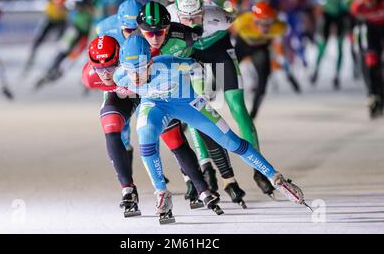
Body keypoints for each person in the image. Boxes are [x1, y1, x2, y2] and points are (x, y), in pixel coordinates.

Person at [114, 35, 310, 223]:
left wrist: (204, 91)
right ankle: (161, 192)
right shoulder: (120, 76)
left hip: (188, 103)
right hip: (155, 107)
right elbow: (113, 82)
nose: (134, 76)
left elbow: (195, 65)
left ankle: (275, 178)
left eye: (139, 68)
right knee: (145, 134)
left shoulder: (169, 64)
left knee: (231, 142)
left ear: (150, 61)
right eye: (129, 70)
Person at [82, 36, 223, 218]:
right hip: (125, 95)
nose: (105, 74)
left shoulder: (147, 59)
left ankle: (200, 186)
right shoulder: (89, 77)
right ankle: (127, 189)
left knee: (173, 138)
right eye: (99, 69)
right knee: (110, 129)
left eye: (110, 67)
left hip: (151, 92)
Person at [166, 0, 276, 197]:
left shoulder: (219, 16)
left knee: (237, 107)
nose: (191, 22)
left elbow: (245, 27)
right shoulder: (168, 15)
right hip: (192, 54)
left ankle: (259, 171)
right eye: (186, 18)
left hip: (219, 51)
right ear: (176, 13)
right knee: (198, 109)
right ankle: (207, 168)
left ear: (203, 11)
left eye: (196, 17)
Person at [231, 2, 294, 119]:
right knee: (227, 71)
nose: (265, 27)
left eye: (268, 23)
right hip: (243, 45)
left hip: (260, 48)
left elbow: (281, 45)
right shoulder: (242, 21)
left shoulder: (279, 27)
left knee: (263, 79)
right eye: (261, 23)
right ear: (254, 20)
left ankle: (254, 112)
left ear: (273, 21)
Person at [350, 0, 384, 118]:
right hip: (373, 30)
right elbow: (356, 25)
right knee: (370, 60)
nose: (369, 2)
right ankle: (373, 94)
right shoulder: (357, 7)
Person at [35, 0, 93, 89]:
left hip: (80, 38)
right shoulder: (76, 14)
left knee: (69, 58)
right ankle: (51, 71)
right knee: (61, 54)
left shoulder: (88, 16)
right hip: (73, 35)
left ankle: (57, 72)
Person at [312, 0, 350, 89]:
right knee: (323, 43)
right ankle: (315, 70)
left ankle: (337, 75)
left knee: (340, 45)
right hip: (327, 13)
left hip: (340, 14)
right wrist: (319, 9)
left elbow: (348, 0)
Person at [23, 0, 68, 76]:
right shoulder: (50, 7)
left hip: (59, 22)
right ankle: (31, 58)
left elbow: (64, 20)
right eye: (58, 3)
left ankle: (57, 61)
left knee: (61, 43)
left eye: (61, 3)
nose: (59, 5)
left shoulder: (64, 9)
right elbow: (44, 23)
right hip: (50, 21)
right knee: (38, 41)